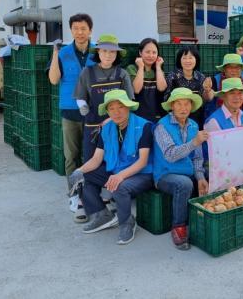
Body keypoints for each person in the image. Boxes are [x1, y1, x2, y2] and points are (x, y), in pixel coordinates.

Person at [68, 90, 154, 245]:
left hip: (141, 173)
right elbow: (96, 159)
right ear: (107, 111)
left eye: (120, 107)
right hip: (116, 170)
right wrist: (79, 170)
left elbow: (142, 162)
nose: (116, 112)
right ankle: (102, 215)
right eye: (111, 108)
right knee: (83, 177)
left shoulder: (143, 126)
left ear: (128, 107)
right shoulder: (107, 128)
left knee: (120, 187)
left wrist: (120, 176)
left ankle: (127, 223)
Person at [48, 13, 95, 222]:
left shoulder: (97, 51)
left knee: (92, 156)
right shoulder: (63, 52)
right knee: (72, 156)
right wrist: (54, 53)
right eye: (75, 28)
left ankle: (92, 195)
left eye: (83, 28)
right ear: (71, 31)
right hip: (70, 111)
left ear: (90, 30)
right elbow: (53, 79)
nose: (79, 32)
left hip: (93, 112)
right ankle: (75, 195)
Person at [153, 88, 209, 250]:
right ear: (172, 106)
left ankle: (204, 219)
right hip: (165, 174)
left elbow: (197, 157)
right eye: (178, 104)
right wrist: (194, 142)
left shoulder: (193, 125)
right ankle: (178, 226)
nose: (183, 108)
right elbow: (170, 155)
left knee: (211, 175)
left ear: (191, 106)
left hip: (188, 171)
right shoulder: (162, 126)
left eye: (187, 104)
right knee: (184, 184)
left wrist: (200, 177)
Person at [74, 35, 134, 166]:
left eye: (112, 51)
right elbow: (80, 97)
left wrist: (112, 119)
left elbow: (129, 101)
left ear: (117, 54)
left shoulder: (122, 74)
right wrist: (84, 109)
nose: (108, 55)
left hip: (117, 125)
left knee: (116, 162)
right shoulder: (87, 73)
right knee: (91, 162)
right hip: (93, 126)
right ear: (98, 52)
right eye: (104, 51)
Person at [164, 46, 213, 128]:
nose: (187, 61)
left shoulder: (201, 77)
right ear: (179, 60)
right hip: (176, 118)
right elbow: (166, 98)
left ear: (196, 59)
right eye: (184, 58)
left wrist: (207, 90)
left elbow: (205, 100)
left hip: (196, 118)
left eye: (191, 58)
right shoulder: (173, 76)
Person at [127, 38, 167, 123]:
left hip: (156, 115)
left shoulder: (159, 70)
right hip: (137, 116)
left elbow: (162, 88)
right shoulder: (132, 68)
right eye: (147, 52)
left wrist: (158, 67)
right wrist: (141, 67)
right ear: (140, 52)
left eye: (154, 52)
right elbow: (136, 89)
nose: (151, 55)